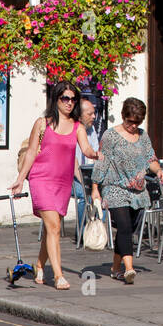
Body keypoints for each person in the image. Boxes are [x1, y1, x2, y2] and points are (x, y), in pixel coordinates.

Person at [10, 79, 99, 290]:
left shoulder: (77, 127)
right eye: (65, 98)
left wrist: (96, 154)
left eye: (73, 99)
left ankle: (39, 265)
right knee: (54, 227)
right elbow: (31, 152)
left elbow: (86, 150)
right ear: (56, 99)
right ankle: (58, 276)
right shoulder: (42, 124)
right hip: (41, 178)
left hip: (62, 181)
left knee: (53, 229)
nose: (69, 103)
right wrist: (21, 179)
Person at [91, 97, 163, 284]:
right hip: (115, 188)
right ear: (123, 116)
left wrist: (158, 171)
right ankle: (129, 269)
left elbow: (151, 158)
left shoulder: (143, 135)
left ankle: (116, 268)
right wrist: (95, 188)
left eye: (137, 122)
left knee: (128, 230)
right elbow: (102, 162)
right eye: (130, 121)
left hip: (138, 191)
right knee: (124, 226)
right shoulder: (110, 136)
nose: (133, 125)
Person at [72, 96, 100, 234]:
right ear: (79, 115)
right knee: (84, 194)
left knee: (102, 193)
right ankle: (83, 233)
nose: (94, 116)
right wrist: (84, 183)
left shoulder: (91, 130)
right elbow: (73, 163)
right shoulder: (70, 130)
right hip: (70, 177)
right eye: (90, 114)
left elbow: (94, 154)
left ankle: (98, 232)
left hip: (89, 175)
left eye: (94, 113)